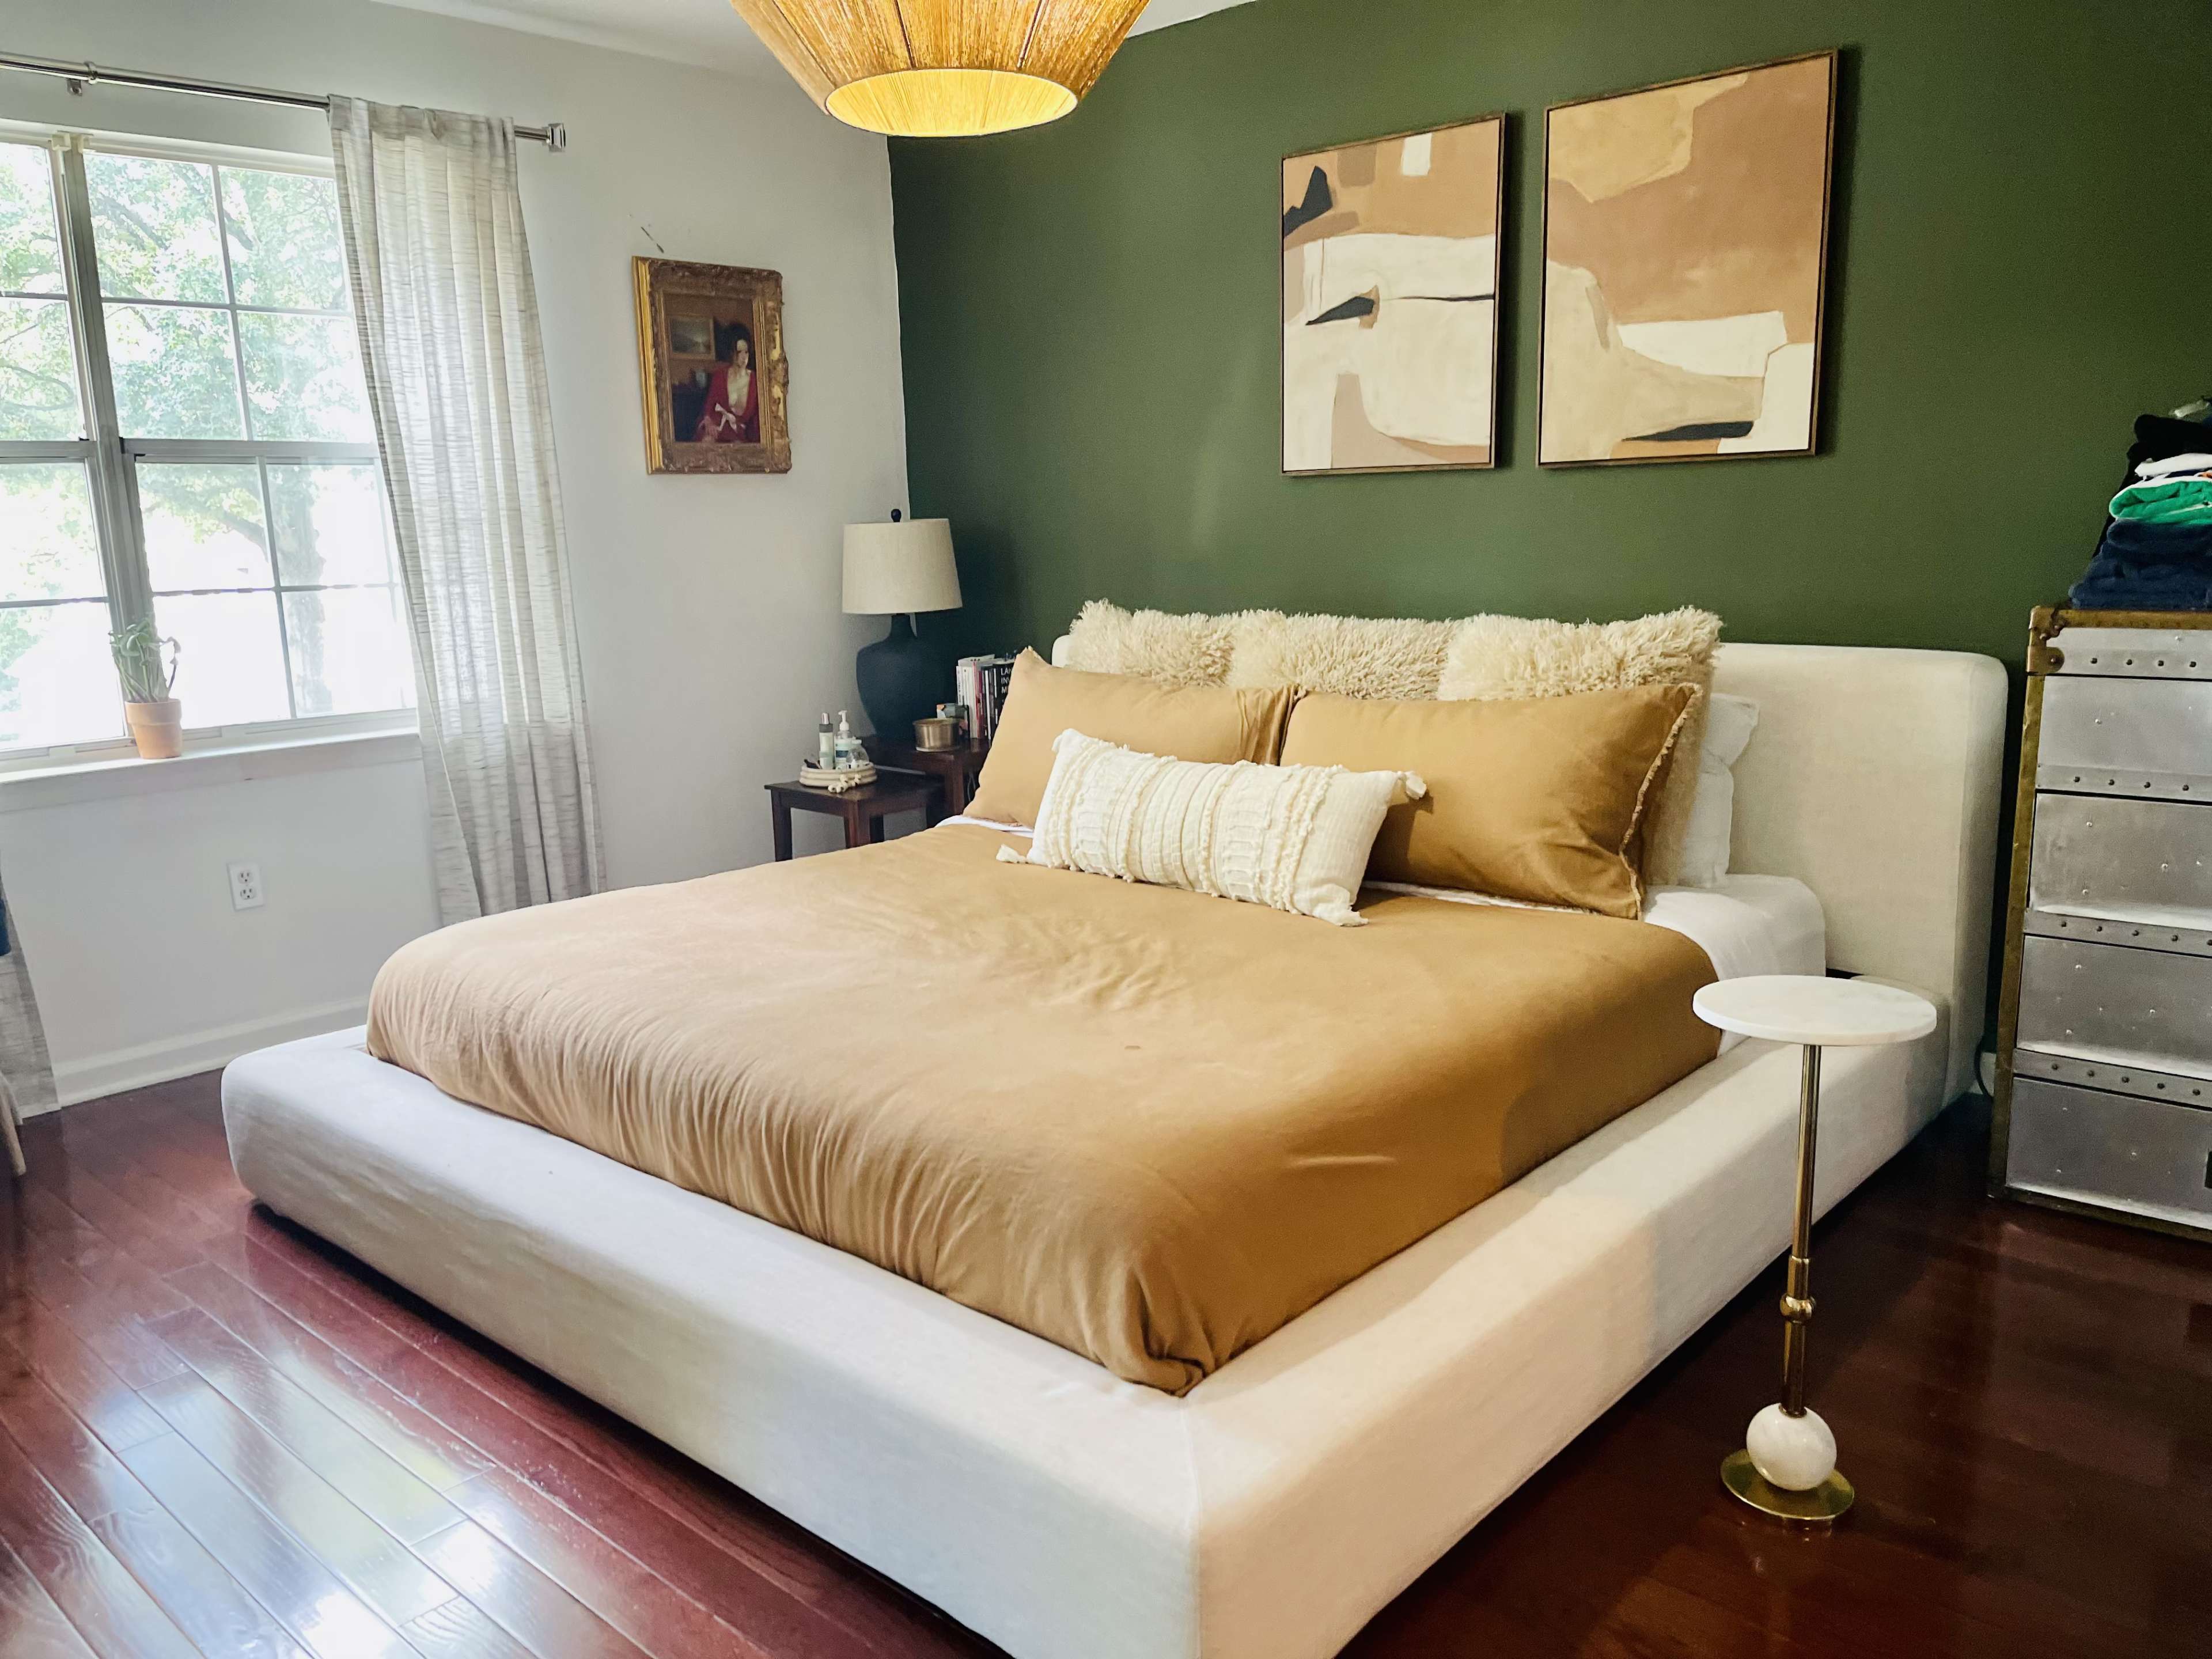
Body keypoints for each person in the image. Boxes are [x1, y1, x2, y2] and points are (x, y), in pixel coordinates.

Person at [693, 323, 760, 445]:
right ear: (731, 353)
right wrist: (709, 422)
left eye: (746, 352)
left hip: (738, 436)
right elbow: (709, 408)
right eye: (739, 352)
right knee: (707, 443)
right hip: (715, 429)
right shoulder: (720, 376)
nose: (743, 357)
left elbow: (756, 421)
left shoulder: (755, 380)